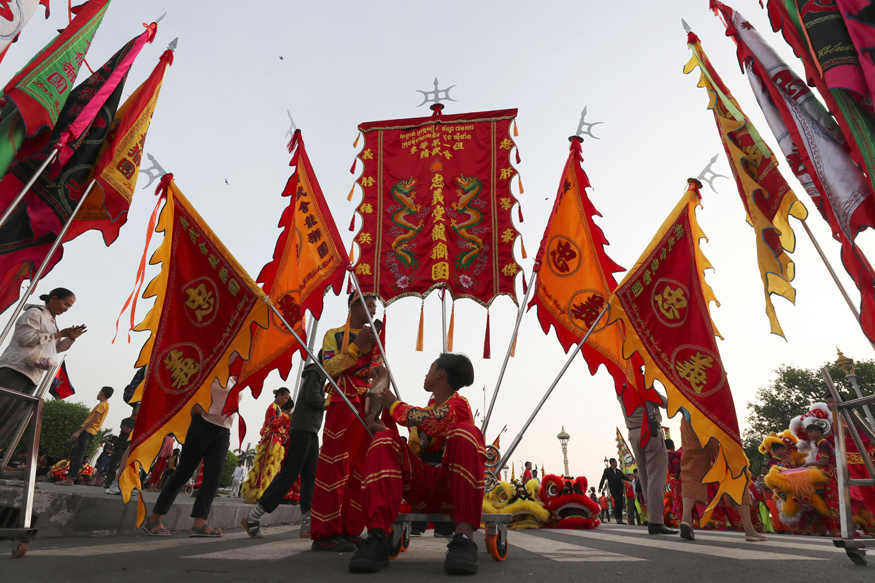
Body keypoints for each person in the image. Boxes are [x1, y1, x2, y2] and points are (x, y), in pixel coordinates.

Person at [347, 353, 485, 575]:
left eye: (431, 367)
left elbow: (435, 420)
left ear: (440, 373)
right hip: (422, 487)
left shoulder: (459, 405)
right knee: (385, 440)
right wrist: (380, 431)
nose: (426, 373)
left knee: (468, 433)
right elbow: (412, 450)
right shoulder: (427, 410)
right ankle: (376, 536)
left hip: (452, 490)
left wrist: (393, 405)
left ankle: (464, 537)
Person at [310, 292, 384, 552]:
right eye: (369, 305)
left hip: (367, 404)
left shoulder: (375, 338)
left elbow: (378, 367)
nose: (374, 310)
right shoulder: (334, 334)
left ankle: (350, 530)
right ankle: (323, 533)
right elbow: (328, 369)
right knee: (334, 465)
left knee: (360, 469)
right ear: (353, 306)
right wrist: (355, 346)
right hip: (342, 402)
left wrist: (377, 369)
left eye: (376, 306)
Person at [141, 375, 239, 537]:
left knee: (213, 478)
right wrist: (192, 405)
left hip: (223, 430)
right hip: (202, 424)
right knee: (184, 473)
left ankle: (200, 523)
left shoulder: (236, 377)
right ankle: (154, 518)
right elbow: (189, 382)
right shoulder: (214, 364)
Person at [242, 358, 327, 540]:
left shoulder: (323, 376)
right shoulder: (316, 371)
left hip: (311, 430)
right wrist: (331, 402)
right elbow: (313, 397)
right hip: (302, 429)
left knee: (310, 475)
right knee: (290, 473)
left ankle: (306, 523)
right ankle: (253, 517)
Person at [0, 288, 85, 431]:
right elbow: (25, 338)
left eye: (69, 306)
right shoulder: (35, 313)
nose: (66, 309)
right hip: (15, 369)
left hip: (32, 375)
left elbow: (54, 349)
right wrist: (58, 334)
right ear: (53, 298)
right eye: (66, 304)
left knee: (10, 419)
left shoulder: (52, 323)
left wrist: (70, 338)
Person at [677, 416, 766, 542]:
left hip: (689, 417)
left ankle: (686, 518)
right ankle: (749, 528)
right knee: (734, 470)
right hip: (715, 415)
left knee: (691, 470)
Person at [618, 391, 675, 535]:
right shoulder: (644, 385)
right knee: (656, 478)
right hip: (650, 431)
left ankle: (653, 518)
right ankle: (656, 522)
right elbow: (666, 403)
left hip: (633, 433)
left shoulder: (621, 389)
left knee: (645, 479)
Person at [240, 389, 293, 503]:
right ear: (279, 395)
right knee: (263, 467)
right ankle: (253, 495)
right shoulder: (272, 407)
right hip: (270, 441)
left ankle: (261, 494)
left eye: (287, 398)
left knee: (269, 468)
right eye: (286, 397)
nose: (286, 400)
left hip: (275, 441)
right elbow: (272, 422)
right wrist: (287, 417)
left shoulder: (277, 408)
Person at [60, 386, 112, 486]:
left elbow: (93, 419)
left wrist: (79, 431)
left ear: (102, 393)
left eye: (99, 391)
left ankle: (70, 479)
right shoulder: (106, 405)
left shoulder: (102, 405)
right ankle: (69, 479)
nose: (98, 393)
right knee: (75, 454)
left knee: (78, 455)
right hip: (90, 432)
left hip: (87, 431)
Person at [598, 458, 630, 524]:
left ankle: (620, 519)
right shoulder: (607, 470)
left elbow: (624, 477)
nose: (616, 463)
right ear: (611, 463)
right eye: (615, 462)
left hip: (620, 488)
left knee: (620, 503)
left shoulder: (619, 471)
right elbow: (603, 478)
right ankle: (617, 518)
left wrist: (631, 479)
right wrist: (600, 487)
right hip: (613, 488)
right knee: (617, 500)